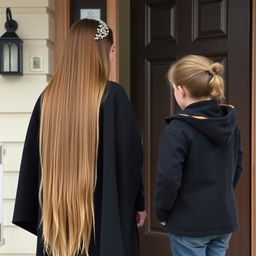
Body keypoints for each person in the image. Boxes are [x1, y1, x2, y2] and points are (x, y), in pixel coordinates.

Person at [12, 19, 147, 256]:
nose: (113, 57)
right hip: (104, 224)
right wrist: (138, 204)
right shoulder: (113, 96)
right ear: (107, 51)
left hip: (59, 227)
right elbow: (131, 160)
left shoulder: (48, 99)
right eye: (112, 50)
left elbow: (33, 164)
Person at [155, 55, 243, 256]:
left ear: (181, 89)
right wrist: (220, 196)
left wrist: (162, 211)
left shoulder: (177, 129)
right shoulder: (230, 123)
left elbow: (168, 177)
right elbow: (237, 167)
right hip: (223, 219)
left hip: (189, 223)